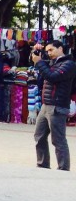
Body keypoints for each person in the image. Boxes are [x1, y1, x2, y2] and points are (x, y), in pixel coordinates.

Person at [31, 40, 75, 171]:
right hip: (46, 104)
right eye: (47, 51)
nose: (48, 53)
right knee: (39, 136)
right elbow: (38, 64)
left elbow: (53, 77)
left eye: (51, 50)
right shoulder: (53, 63)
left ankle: (63, 169)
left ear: (60, 48)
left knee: (58, 140)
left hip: (57, 105)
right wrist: (35, 53)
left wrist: (39, 62)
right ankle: (43, 164)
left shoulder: (69, 64)